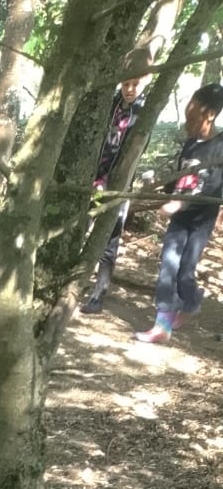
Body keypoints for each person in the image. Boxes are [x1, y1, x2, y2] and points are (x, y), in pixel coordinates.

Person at [136, 84, 223, 344]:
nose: (187, 125)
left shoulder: (219, 147)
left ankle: (192, 301)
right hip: (180, 220)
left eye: (192, 118)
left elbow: (212, 187)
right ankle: (162, 326)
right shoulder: (190, 145)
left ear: (209, 115)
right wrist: (158, 187)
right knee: (168, 264)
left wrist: (180, 204)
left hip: (201, 221)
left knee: (186, 270)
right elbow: (179, 181)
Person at [80, 51, 150, 316]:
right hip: (92, 181)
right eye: (126, 83)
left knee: (109, 239)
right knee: (79, 229)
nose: (129, 89)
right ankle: (71, 282)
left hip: (119, 186)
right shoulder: (110, 106)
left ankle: (98, 295)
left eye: (135, 84)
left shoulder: (145, 113)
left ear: (146, 80)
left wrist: (116, 185)